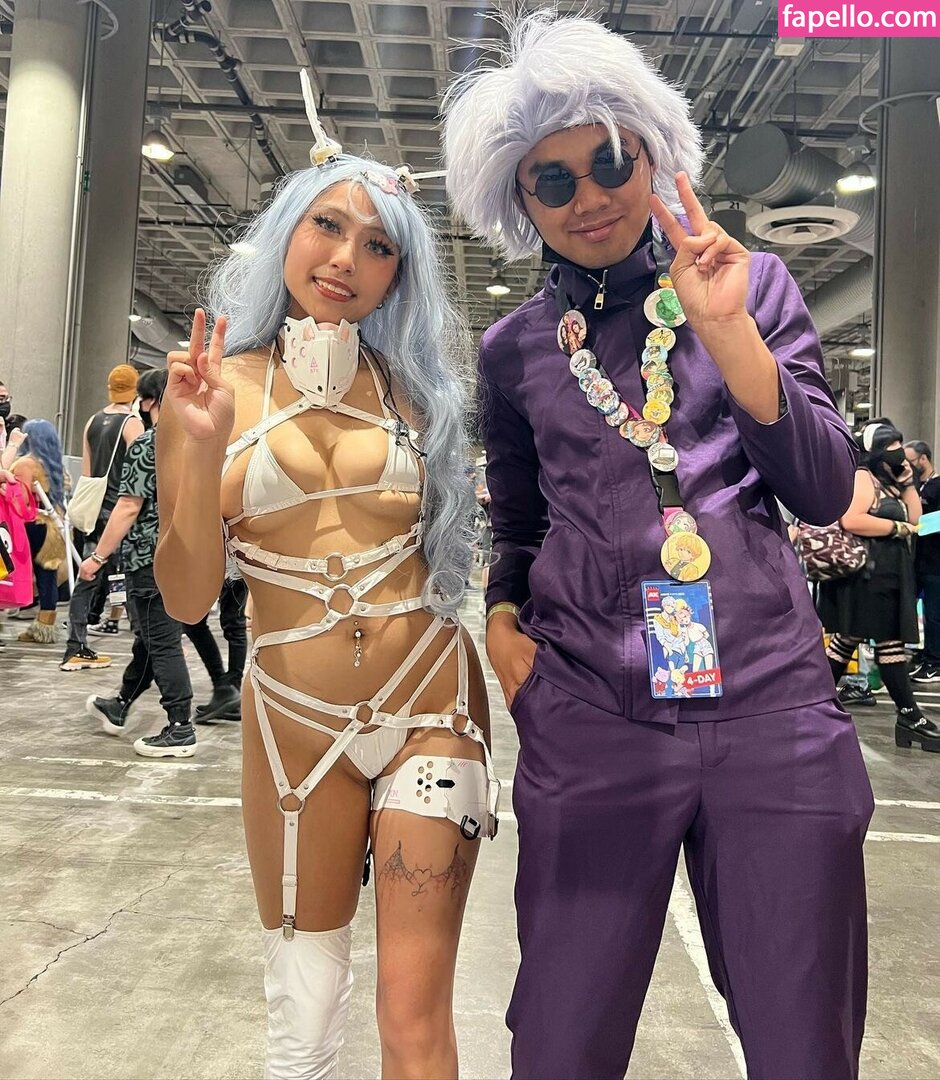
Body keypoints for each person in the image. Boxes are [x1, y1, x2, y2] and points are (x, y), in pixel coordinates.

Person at [442, 12, 873, 1079]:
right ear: (520, 201)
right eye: (551, 181)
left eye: (608, 161)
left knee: (804, 1043)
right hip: (591, 712)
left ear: (651, 154)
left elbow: (824, 488)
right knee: (561, 1043)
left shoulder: (751, 287)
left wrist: (729, 334)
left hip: (772, 710)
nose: (587, 196)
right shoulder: (515, 350)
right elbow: (519, 519)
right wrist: (503, 624)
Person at [154, 86, 496, 1080]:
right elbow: (186, 598)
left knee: (414, 1018)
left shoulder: (418, 395)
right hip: (293, 729)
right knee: (301, 1026)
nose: (346, 258)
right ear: (286, 233)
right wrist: (199, 449)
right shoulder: (206, 387)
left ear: (397, 276)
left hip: (433, 705)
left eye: (378, 245)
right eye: (328, 227)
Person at [81, 369, 197, 758]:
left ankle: (180, 726)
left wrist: (97, 557)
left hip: (149, 557)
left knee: (161, 641)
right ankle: (121, 704)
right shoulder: (198, 443)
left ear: (147, 402)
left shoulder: (149, 443)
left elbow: (129, 506)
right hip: (187, 554)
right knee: (150, 637)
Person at [817, 422, 939, 751]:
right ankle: (910, 716)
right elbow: (852, 519)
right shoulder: (863, 476)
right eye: (892, 447)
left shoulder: (891, 481)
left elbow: (916, 519)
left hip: (888, 574)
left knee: (847, 641)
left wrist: (908, 483)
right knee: (889, 644)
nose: (899, 453)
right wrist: (897, 528)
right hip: (869, 576)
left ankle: (814, 705)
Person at [59, 364, 144, 671]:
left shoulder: (92, 421)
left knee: (87, 575)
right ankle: (149, 645)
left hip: (95, 511)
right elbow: (139, 473)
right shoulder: (132, 424)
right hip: (121, 511)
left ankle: (75, 645)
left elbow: (87, 473)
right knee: (131, 578)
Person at [11, 419, 67, 644]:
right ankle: (45, 628)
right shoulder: (55, 465)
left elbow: (20, 500)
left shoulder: (26, 463)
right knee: (47, 576)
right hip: (53, 526)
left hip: (31, 524)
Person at [182, 576, 249, 721]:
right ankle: (230, 691)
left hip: (222, 566)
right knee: (233, 624)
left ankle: (227, 689)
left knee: (194, 622)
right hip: (233, 566)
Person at [905, 439, 940, 682]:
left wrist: (914, 525)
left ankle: (935, 662)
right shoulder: (917, 486)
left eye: (910, 461)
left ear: (923, 459)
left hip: (935, 563)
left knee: (934, 614)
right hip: (919, 561)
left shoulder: (937, 486)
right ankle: (926, 654)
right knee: (923, 613)